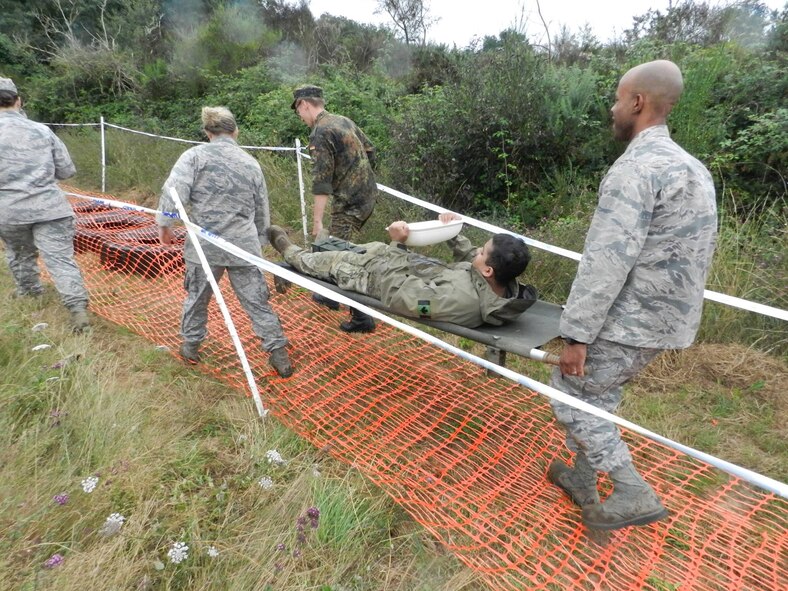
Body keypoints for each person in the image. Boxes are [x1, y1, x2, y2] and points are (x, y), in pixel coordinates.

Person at [547, 60, 718, 531]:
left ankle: (631, 490)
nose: (613, 107)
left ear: (638, 103)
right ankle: (583, 478)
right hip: (669, 321)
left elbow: (606, 261)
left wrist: (577, 335)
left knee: (570, 396)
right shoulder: (692, 167)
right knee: (598, 394)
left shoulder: (636, 170)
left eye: (619, 99)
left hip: (629, 318)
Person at [156, 106, 293, 378]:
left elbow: (173, 194)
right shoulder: (250, 163)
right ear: (235, 131)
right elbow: (262, 208)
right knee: (257, 303)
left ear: (208, 133)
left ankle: (190, 347)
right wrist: (260, 241)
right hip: (242, 246)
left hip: (204, 247)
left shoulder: (193, 157)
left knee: (196, 299)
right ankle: (279, 355)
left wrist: (165, 225)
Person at [267, 213, 537, 328]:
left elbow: (398, 296)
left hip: (374, 278)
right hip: (395, 262)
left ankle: (290, 252)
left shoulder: (457, 301)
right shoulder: (498, 282)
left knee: (322, 264)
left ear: (489, 270)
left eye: (482, 251)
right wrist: (452, 231)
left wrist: (397, 245)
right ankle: (321, 244)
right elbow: (470, 260)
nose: (476, 252)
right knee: (356, 247)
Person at [0, 76, 91, 332]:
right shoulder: (41, 130)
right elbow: (67, 171)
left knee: (19, 254)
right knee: (60, 259)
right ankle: (77, 309)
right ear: (18, 101)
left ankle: (29, 292)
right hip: (50, 208)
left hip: (10, 211)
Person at [292, 84, 378, 333]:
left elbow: (321, 183)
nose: (299, 116)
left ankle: (362, 318)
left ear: (304, 105)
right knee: (339, 248)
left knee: (341, 257)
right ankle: (330, 295)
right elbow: (371, 149)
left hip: (349, 201)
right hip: (366, 194)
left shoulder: (320, 132)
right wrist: (361, 177)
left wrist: (317, 222)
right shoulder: (343, 121)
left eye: (298, 110)